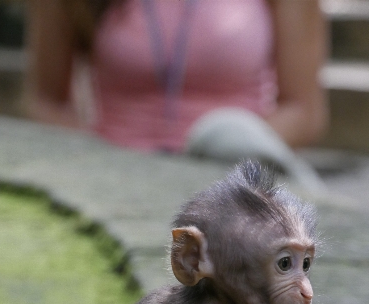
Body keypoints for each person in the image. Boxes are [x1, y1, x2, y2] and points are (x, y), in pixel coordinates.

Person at [25, 0, 328, 188]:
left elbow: (303, 112)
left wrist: (208, 167)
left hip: (231, 172)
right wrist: (107, 165)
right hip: (117, 175)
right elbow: (45, 103)